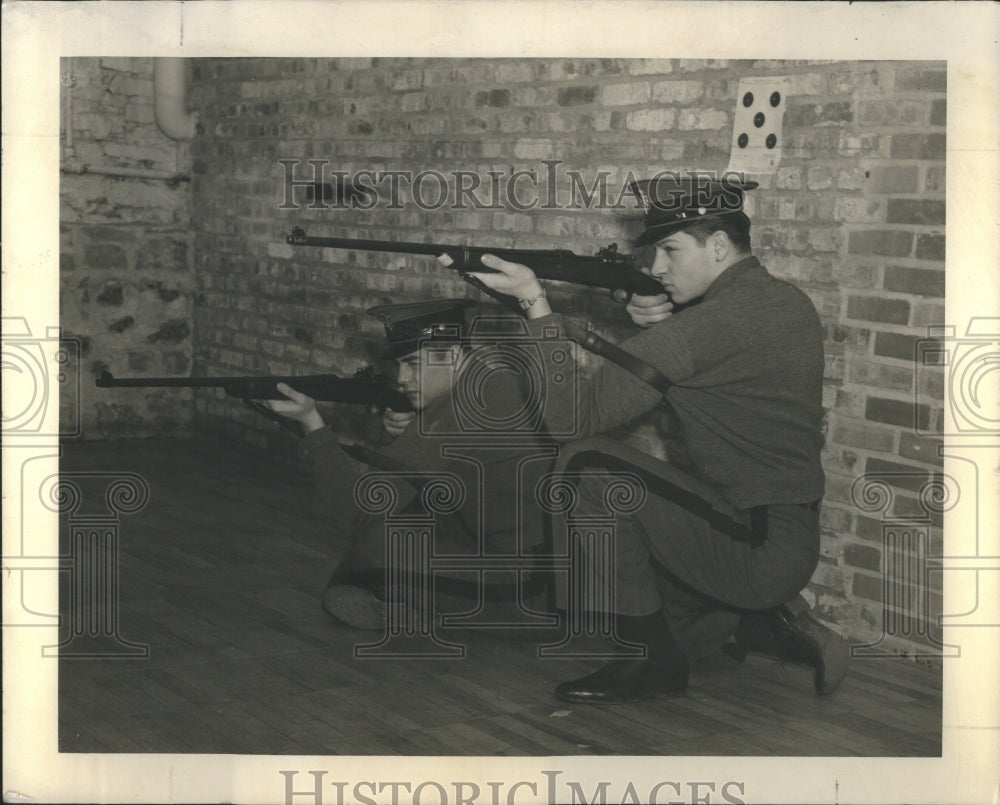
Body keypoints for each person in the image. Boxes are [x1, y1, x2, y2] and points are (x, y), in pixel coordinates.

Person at [462, 174, 849, 703]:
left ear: (718, 245)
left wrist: (534, 302)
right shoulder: (785, 302)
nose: (655, 267)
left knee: (585, 463)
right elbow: (706, 347)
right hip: (779, 530)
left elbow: (572, 421)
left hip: (755, 546)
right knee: (651, 604)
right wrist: (648, 316)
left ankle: (655, 666)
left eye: (669, 249)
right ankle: (757, 620)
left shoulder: (700, 329)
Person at [266, 299, 556, 632]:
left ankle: (418, 610)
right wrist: (417, 430)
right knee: (387, 543)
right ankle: (415, 606)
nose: (402, 378)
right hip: (535, 562)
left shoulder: (461, 410)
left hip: (531, 587)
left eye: (414, 363)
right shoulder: (493, 382)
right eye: (400, 364)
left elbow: (359, 514)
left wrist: (312, 425)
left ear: (452, 355)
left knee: (377, 548)